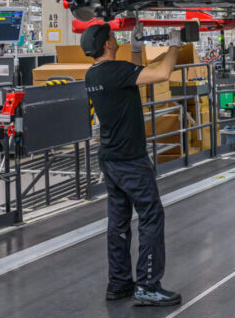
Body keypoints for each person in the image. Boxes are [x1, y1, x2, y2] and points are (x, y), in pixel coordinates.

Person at [82, 22, 183, 306]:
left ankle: (119, 283)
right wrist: (175, 43)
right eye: (114, 36)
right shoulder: (117, 71)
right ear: (107, 44)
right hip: (131, 159)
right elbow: (162, 73)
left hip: (110, 158)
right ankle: (148, 285)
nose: (115, 38)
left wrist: (136, 49)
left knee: (119, 222)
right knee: (151, 215)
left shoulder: (93, 74)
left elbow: (133, 77)